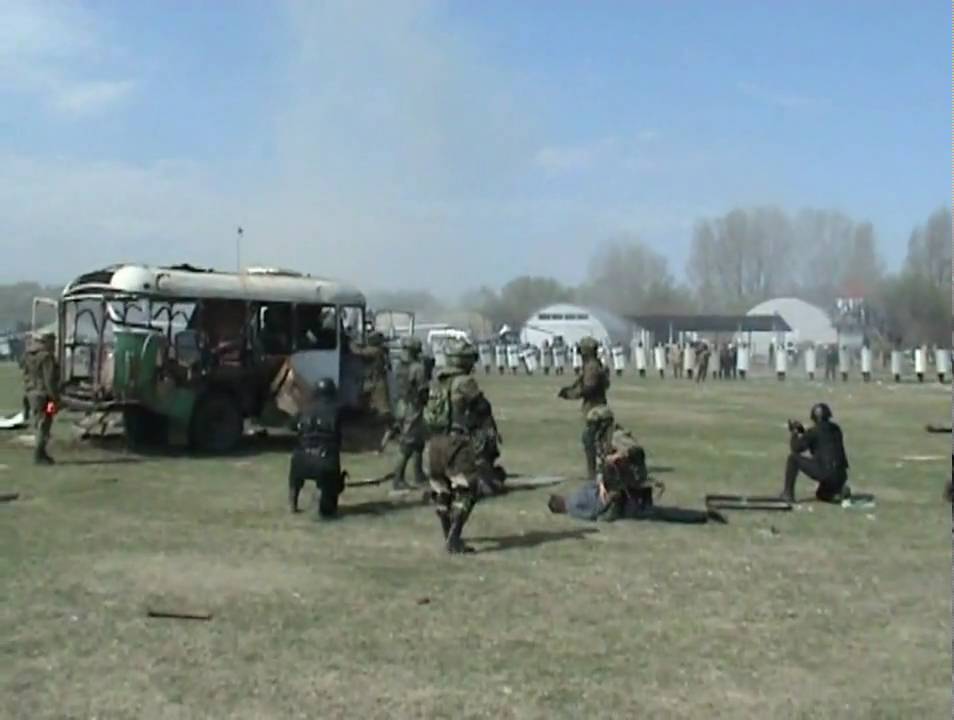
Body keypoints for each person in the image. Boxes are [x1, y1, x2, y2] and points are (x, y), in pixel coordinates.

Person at [423, 339, 486, 554]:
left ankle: (447, 535)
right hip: (456, 442)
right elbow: (481, 407)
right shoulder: (465, 382)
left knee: (442, 489)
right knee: (468, 489)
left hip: (434, 442)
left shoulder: (437, 381)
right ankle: (454, 538)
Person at [547, 406, 651, 522]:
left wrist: (618, 455)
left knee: (609, 466)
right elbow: (599, 463)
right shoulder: (601, 439)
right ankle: (611, 502)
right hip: (617, 476)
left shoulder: (617, 435)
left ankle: (615, 503)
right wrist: (601, 483)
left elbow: (637, 451)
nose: (592, 427)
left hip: (632, 473)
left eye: (594, 424)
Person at [288, 378, 346, 518]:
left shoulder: (304, 409)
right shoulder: (337, 410)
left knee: (296, 468)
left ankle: (293, 502)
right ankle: (326, 504)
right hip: (325, 460)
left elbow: (291, 425)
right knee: (328, 512)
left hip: (301, 459)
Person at [557, 336, 610, 481]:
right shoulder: (593, 364)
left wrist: (571, 394)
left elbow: (588, 388)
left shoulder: (592, 366)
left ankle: (593, 474)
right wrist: (570, 390)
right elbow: (581, 383)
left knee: (590, 440)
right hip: (596, 406)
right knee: (596, 441)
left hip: (595, 408)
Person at [780, 403, 850, 503]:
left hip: (825, 473)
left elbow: (796, 448)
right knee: (821, 494)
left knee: (793, 459)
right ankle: (838, 491)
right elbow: (821, 440)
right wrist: (802, 431)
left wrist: (794, 433)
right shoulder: (836, 429)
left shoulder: (813, 432)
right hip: (841, 475)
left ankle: (788, 494)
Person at [391, 337, 428, 490]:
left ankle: (419, 474)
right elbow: (422, 389)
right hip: (413, 407)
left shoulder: (398, 366)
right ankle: (398, 479)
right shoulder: (417, 368)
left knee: (418, 441)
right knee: (408, 444)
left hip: (400, 405)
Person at [22, 332, 59, 465]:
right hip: (45, 396)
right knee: (45, 424)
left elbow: (25, 375)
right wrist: (55, 398)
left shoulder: (28, 355)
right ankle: (39, 455)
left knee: (40, 423)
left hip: (32, 394)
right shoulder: (46, 357)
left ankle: (42, 453)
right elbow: (49, 379)